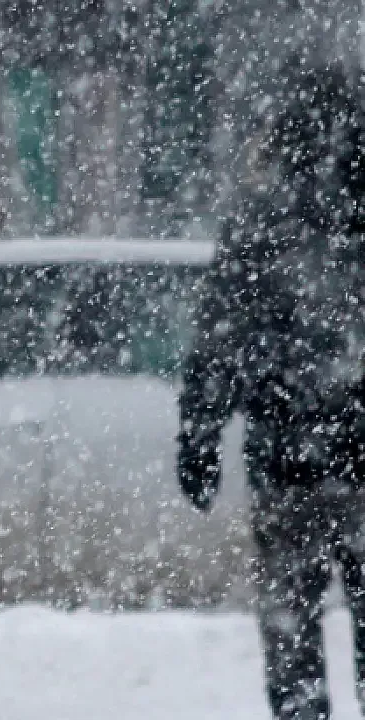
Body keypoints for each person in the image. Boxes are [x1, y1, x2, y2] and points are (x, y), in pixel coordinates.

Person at [178, 62, 365, 720]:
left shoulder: (260, 225)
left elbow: (219, 343)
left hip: (288, 456)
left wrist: (199, 435)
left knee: (293, 631)